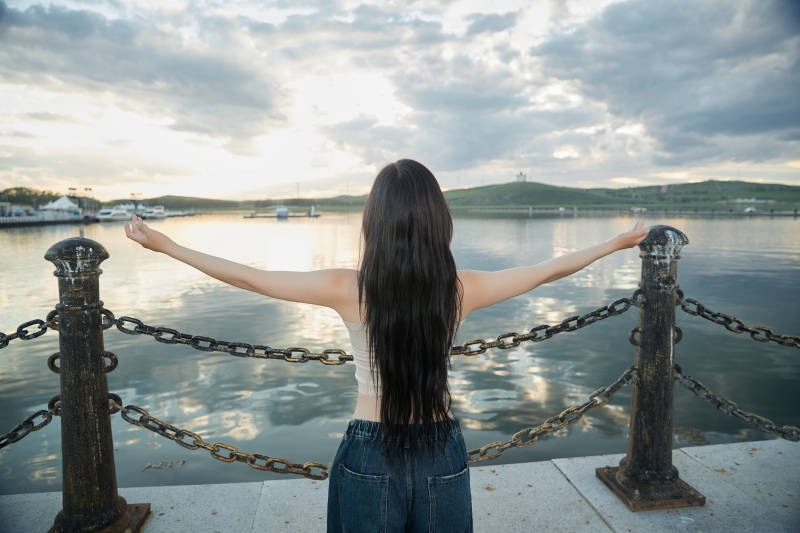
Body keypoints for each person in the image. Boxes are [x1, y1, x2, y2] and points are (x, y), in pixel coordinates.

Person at [124, 159, 648, 532]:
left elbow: (251, 280)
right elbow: (548, 270)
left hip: (370, 449)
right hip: (441, 447)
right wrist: (617, 242)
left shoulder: (348, 288)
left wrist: (166, 244)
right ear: (439, 220)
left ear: (373, 221)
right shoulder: (462, 288)